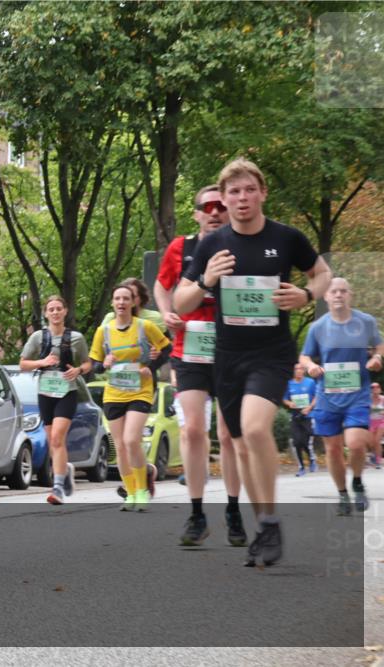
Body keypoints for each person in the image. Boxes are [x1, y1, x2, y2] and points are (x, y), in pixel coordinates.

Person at [176, 158, 332, 567]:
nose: (241, 198)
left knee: (254, 427)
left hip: (272, 354)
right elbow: (181, 301)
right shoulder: (213, 244)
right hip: (227, 357)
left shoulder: (286, 238)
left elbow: (322, 273)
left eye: (248, 190)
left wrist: (307, 295)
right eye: (233, 192)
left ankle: (272, 521)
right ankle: (264, 522)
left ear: (262, 193)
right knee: (243, 448)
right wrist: (207, 279)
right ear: (224, 201)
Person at [154, 183, 245, 547]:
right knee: (193, 430)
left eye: (220, 206)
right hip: (188, 348)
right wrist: (166, 314)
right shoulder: (181, 248)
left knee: (228, 435)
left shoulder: (243, 246)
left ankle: (234, 510)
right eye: (206, 207)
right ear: (196, 214)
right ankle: (196, 513)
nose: (213, 212)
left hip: (232, 349)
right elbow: (163, 287)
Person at [300, 277, 383, 515]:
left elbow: (379, 346)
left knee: (356, 445)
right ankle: (342, 494)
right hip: (327, 397)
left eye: (343, 291)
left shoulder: (365, 322)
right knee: (333, 449)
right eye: (333, 291)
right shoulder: (318, 327)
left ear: (350, 295)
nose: (338, 295)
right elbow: (305, 356)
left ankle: (357, 481)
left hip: (357, 395)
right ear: (326, 297)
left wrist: (377, 358)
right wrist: (310, 367)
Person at [90, 284, 171, 511]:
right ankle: (131, 493)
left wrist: (151, 366)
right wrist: (102, 364)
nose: (121, 303)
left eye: (126, 298)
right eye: (117, 298)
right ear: (113, 303)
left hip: (140, 390)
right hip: (114, 392)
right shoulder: (103, 331)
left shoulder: (145, 327)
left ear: (133, 302)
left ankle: (143, 490)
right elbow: (94, 365)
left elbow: (167, 348)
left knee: (131, 440)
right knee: (121, 447)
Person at [18, 295, 92, 504]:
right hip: (45, 392)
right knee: (53, 441)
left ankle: (57, 488)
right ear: (46, 313)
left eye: (59, 308)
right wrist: (43, 361)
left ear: (65, 311)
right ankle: (64, 469)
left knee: (58, 437)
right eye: (51, 309)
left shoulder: (76, 338)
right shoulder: (37, 338)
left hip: (67, 392)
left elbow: (87, 364)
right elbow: (23, 364)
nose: (55, 312)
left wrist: (78, 370)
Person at [283, 363, 317, 476]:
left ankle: (312, 460)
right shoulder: (289, 383)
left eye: (300, 369)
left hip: (308, 415)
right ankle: (301, 467)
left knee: (305, 441)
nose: (298, 371)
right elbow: (284, 399)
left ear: (304, 370)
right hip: (295, 416)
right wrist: (290, 403)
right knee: (296, 442)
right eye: (296, 369)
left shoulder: (310, 382)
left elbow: (316, 397)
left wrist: (309, 407)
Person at [102, 278, 167, 334]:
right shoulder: (110, 318)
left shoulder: (155, 317)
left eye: (132, 296)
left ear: (141, 298)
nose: (122, 302)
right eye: (119, 298)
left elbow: (168, 343)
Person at [370, 382, 384, 469]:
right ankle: (373, 455)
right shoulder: (367, 399)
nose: (375, 389)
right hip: (370, 422)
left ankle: (378, 460)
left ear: (380, 389)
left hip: (381, 422)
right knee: (372, 442)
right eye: (373, 388)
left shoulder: (383, 399)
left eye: (377, 387)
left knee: (377, 440)